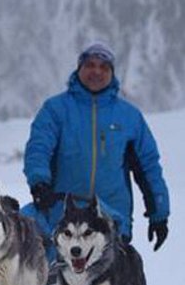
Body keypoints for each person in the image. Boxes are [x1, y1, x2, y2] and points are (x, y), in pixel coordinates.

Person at [22, 41, 170, 265]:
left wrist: (159, 213)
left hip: (109, 219)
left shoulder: (129, 117)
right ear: (79, 69)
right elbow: (38, 148)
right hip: (60, 215)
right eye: (90, 65)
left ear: (112, 73)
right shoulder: (55, 109)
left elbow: (148, 167)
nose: (96, 71)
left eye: (104, 67)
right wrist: (39, 182)